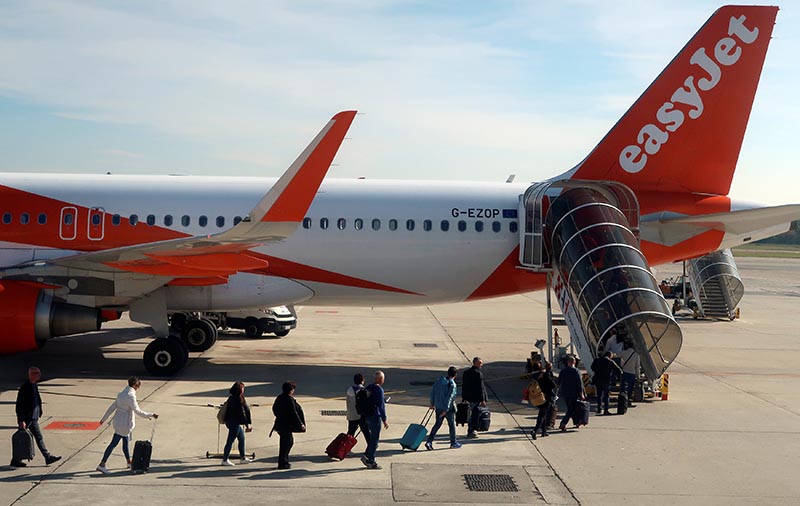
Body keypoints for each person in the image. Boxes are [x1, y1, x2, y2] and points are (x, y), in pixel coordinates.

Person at [97, 376, 158, 474]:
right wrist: (150, 415)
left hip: (118, 421)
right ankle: (102, 464)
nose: (138, 388)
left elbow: (112, 407)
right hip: (125, 423)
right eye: (138, 386)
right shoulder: (131, 396)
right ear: (134, 385)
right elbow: (137, 411)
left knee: (125, 443)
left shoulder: (121, 394)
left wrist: (103, 419)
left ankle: (128, 462)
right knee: (114, 443)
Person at [12, 367, 61, 468]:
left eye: (39, 372)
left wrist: (40, 411)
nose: (39, 374)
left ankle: (47, 457)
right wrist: (21, 420)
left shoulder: (34, 385)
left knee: (38, 438)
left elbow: (37, 399)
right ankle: (16, 460)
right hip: (27, 418)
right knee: (21, 439)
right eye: (37, 373)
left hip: (33, 417)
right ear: (31, 374)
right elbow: (19, 405)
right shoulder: (25, 387)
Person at [424, 366, 461, 450]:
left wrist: (432, 403)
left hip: (438, 406)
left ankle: (429, 441)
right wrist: (446, 409)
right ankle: (453, 442)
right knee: (451, 425)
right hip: (448, 409)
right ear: (455, 375)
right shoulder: (452, 384)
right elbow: (450, 397)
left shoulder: (439, 381)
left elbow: (433, 392)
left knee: (437, 424)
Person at [272, 381, 305, 470]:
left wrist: (279, 416)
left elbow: (274, 409)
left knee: (287, 442)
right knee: (286, 443)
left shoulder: (279, 397)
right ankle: (283, 462)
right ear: (290, 390)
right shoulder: (289, 399)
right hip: (285, 425)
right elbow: (293, 413)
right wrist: (300, 424)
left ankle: (283, 460)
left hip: (280, 424)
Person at [221, 381, 253, 466]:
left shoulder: (232, 397)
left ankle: (242, 458)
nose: (244, 390)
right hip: (234, 423)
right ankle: (225, 459)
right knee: (230, 441)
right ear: (240, 390)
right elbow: (242, 413)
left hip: (231, 422)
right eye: (243, 388)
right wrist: (247, 425)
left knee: (241, 438)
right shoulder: (238, 399)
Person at [361, 371, 388, 470]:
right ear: (381, 379)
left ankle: (367, 455)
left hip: (367, 416)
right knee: (375, 440)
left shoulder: (369, 387)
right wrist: (384, 419)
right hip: (375, 416)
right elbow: (381, 406)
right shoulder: (379, 389)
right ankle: (370, 460)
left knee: (372, 438)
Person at [461, 357, 488, 439]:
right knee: (475, 415)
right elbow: (481, 388)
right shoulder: (478, 374)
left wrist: (464, 397)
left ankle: (470, 430)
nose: (481, 365)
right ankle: (472, 430)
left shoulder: (466, 373)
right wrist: (483, 399)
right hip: (475, 398)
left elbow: (464, 386)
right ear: (475, 363)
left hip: (468, 397)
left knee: (469, 415)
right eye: (480, 363)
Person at [557, 356, 586, 431]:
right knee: (571, 409)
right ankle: (563, 423)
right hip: (574, 393)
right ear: (574, 362)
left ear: (567, 362)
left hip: (565, 393)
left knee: (572, 408)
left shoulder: (563, 371)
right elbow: (580, 383)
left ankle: (576, 423)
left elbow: (558, 382)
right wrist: (581, 393)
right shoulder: (576, 371)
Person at [591, 351, 623, 415]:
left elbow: (592, 368)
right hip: (606, 380)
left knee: (599, 395)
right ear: (610, 356)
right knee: (606, 396)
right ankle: (606, 410)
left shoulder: (597, 360)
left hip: (598, 380)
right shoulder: (610, 361)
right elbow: (619, 370)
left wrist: (598, 371)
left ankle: (599, 409)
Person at [531, 361, 557, 440]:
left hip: (539, 397)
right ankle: (535, 431)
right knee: (542, 415)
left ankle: (544, 431)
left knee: (544, 414)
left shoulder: (537, 376)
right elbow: (553, 385)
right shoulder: (546, 375)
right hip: (546, 398)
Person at [345, 373, 370, 440]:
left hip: (351, 415)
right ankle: (370, 447)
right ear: (362, 381)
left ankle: (345, 448)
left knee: (350, 433)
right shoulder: (364, 390)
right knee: (366, 432)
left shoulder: (350, 389)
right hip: (361, 415)